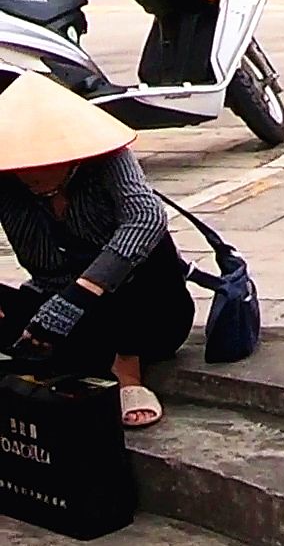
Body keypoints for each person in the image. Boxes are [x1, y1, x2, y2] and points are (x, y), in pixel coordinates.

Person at [0, 72, 194, 428]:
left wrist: (80, 294)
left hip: (141, 316)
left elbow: (146, 217)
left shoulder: (108, 159)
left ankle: (128, 375)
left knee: (152, 250)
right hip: (59, 315)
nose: (30, 172)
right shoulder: (7, 179)